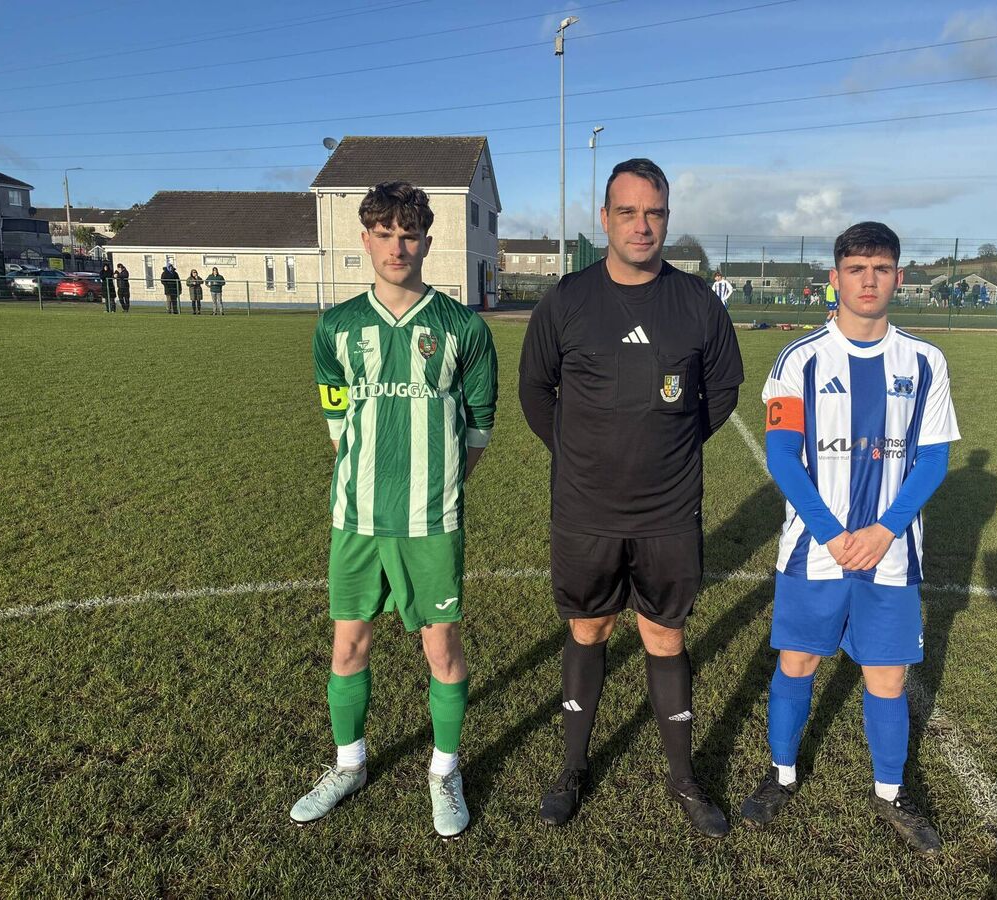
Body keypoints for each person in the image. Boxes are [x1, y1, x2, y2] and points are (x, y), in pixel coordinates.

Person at [518, 158, 744, 838]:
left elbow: (722, 391)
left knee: (665, 634)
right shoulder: (567, 300)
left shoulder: (697, 303)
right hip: (585, 508)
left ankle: (683, 778)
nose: (641, 225)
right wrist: (578, 454)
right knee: (588, 628)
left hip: (667, 510)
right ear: (605, 219)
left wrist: (669, 447)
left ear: (667, 219)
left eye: (654, 213)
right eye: (628, 212)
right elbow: (534, 389)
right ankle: (572, 767)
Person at [740, 221, 960, 858]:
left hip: (890, 554)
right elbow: (783, 458)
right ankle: (782, 775)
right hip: (816, 549)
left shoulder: (925, 361)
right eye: (857, 269)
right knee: (797, 663)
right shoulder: (799, 359)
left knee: (887, 676)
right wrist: (833, 534)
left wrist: (885, 529)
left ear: (898, 277)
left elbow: (933, 461)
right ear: (834, 279)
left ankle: (890, 792)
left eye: (881, 268)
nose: (869, 281)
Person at [291, 182, 499, 838]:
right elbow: (335, 413)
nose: (397, 247)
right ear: (366, 240)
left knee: (441, 647)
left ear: (427, 242)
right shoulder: (337, 326)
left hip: (430, 521)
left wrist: (439, 485)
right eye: (384, 234)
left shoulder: (462, 326)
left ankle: (444, 771)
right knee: (348, 643)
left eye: (409, 235)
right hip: (355, 516)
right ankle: (349, 764)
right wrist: (368, 473)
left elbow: (480, 424)